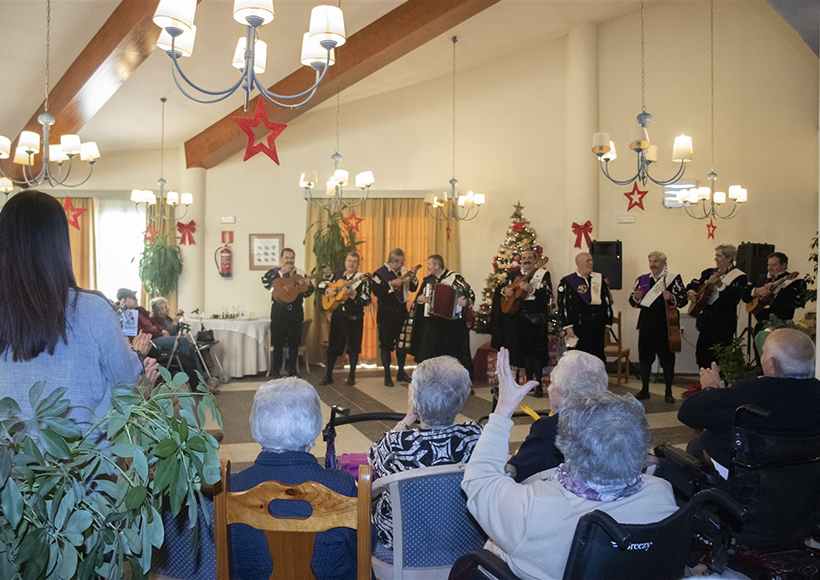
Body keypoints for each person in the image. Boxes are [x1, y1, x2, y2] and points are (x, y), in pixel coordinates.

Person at [462, 348, 677, 580]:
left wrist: (503, 409)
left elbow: (479, 480)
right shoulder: (661, 494)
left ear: (566, 448)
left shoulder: (535, 507)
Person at [0, 190, 158, 429]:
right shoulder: (93, 309)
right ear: (60, 245)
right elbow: (126, 383)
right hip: (84, 451)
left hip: (9, 452)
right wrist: (136, 353)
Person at [231, 378, 357, 579]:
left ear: (255, 425)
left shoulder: (234, 487)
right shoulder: (342, 487)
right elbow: (365, 547)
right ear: (314, 429)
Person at [368, 355, 482, 549]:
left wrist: (408, 418)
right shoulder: (475, 436)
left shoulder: (395, 444)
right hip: (464, 543)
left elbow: (372, 458)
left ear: (415, 398)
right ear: (462, 399)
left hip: (405, 548)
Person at [678, 328, 820, 479]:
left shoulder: (751, 394)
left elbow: (688, 413)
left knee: (696, 446)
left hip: (746, 480)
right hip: (804, 481)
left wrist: (710, 390)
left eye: (763, 353)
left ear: (772, 364)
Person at [506, 350, 608, 483]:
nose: (549, 389)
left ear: (566, 395)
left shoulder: (549, 429)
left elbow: (517, 473)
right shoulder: (619, 422)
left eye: (552, 383)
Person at [490, 248, 552, 397]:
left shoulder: (543, 274)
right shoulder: (513, 275)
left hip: (536, 318)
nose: (526, 260)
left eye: (530, 258)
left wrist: (532, 290)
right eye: (524, 258)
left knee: (537, 352)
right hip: (519, 319)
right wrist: (505, 291)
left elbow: (547, 294)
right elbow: (501, 289)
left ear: (536, 260)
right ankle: (529, 382)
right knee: (525, 352)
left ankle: (538, 385)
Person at [629, 251, 688, 403]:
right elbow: (633, 301)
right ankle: (644, 390)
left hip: (665, 325)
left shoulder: (673, 279)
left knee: (667, 360)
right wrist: (636, 297)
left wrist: (672, 297)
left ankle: (668, 392)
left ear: (663, 263)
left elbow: (684, 299)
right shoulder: (642, 280)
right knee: (645, 358)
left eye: (656, 261)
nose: (652, 264)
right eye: (650, 261)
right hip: (646, 324)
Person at [408, 254, 474, 372]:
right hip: (434, 324)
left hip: (452, 326)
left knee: (454, 355)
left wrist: (465, 302)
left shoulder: (455, 278)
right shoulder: (429, 281)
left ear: (437, 266)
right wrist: (420, 299)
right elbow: (419, 299)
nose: (427, 267)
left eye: (429, 264)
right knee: (432, 354)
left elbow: (470, 294)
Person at [686, 244, 747, 371]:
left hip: (724, 323)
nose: (715, 259)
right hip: (707, 321)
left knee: (720, 357)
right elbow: (695, 285)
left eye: (719, 256)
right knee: (702, 355)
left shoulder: (739, 277)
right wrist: (691, 292)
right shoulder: (710, 272)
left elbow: (733, 299)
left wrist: (720, 285)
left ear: (729, 258)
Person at [118, 289, 201, 380]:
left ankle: (200, 378)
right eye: (133, 298)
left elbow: (152, 323)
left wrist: (161, 330)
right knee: (182, 340)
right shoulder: (122, 314)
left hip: (156, 335)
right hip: (149, 340)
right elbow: (143, 331)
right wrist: (160, 332)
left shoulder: (140, 310)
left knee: (191, 347)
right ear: (125, 300)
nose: (137, 299)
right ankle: (189, 376)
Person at [318, 252, 371, 386]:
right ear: (345, 262)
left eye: (354, 261)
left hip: (354, 318)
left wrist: (353, 294)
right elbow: (320, 285)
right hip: (337, 316)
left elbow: (367, 300)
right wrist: (327, 291)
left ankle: (351, 376)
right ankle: (328, 375)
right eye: (349, 260)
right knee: (333, 346)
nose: (351, 263)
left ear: (358, 264)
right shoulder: (337, 275)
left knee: (353, 348)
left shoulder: (361, 279)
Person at [262, 247, 314, 378]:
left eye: (291, 258)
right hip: (279, 311)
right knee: (277, 342)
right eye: (286, 258)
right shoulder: (273, 273)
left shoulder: (300, 274)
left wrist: (308, 285)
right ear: (281, 259)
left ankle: (292, 371)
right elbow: (266, 285)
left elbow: (308, 292)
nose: (289, 261)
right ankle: (276, 372)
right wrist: (281, 274)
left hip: (295, 312)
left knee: (294, 343)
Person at [371, 248, 419, 387]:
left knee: (402, 344)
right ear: (393, 261)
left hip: (401, 312)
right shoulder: (379, 273)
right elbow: (377, 291)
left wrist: (413, 277)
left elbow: (413, 288)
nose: (403, 264)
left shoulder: (404, 272)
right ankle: (387, 375)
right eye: (401, 262)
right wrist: (391, 285)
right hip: (386, 314)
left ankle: (401, 372)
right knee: (386, 345)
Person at [557, 252, 613, 362]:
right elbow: (563, 305)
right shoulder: (568, 282)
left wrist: (608, 323)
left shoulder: (599, 280)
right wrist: (568, 327)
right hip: (578, 327)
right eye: (588, 261)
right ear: (579, 263)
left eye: (591, 260)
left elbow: (606, 302)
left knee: (597, 358)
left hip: (597, 327)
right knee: (578, 359)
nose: (591, 263)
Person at [742, 252, 807, 333]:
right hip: (761, 325)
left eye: (774, 265)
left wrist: (778, 289)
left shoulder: (795, 282)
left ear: (784, 265)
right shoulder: (761, 278)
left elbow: (796, 303)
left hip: (782, 326)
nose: (770, 268)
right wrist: (757, 291)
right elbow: (744, 295)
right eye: (768, 265)